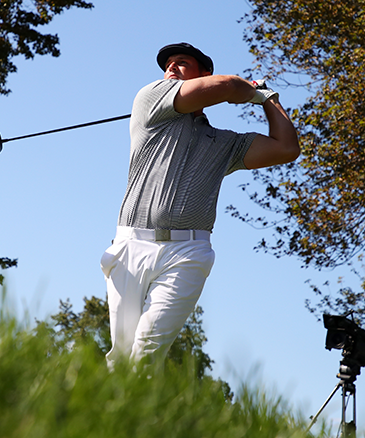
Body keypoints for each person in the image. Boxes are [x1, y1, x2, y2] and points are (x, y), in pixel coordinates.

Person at [101, 43, 300, 370]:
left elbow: (286, 148)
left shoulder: (226, 143)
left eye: (182, 63)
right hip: (130, 247)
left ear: (203, 72)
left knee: (147, 350)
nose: (171, 69)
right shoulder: (150, 100)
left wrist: (270, 100)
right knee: (122, 356)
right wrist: (246, 91)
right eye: (168, 64)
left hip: (188, 253)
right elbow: (226, 87)